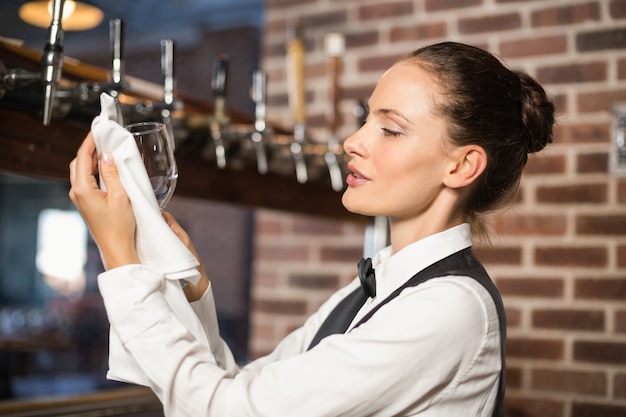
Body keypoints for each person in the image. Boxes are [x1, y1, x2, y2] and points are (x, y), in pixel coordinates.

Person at [69, 41, 554, 416]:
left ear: (462, 166)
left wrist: (121, 260)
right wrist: (195, 289)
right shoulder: (371, 287)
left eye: (390, 129)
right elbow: (240, 389)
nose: (353, 141)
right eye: (366, 119)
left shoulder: (450, 308)